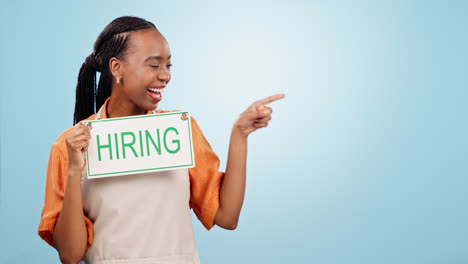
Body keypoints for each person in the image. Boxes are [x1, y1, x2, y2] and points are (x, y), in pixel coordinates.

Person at [38, 16, 285, 264]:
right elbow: (70, 255)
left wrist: (239, 135)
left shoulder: (180, 131)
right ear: (117, 68)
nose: (165, 76)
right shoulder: (70, 146)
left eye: (168, 65)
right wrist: (73, 171)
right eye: (154, 65)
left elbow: (226, 217)